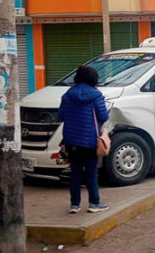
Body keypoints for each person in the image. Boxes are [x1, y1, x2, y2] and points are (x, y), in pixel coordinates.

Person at [58, 65, 110, 214]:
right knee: (91, 172)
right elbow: (103, 117)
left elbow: (60, 116)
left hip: (71, 140)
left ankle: (75, 205)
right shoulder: (96, 95)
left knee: (75, 172)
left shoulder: (67, 95)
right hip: (90, 141)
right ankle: (94, 203)